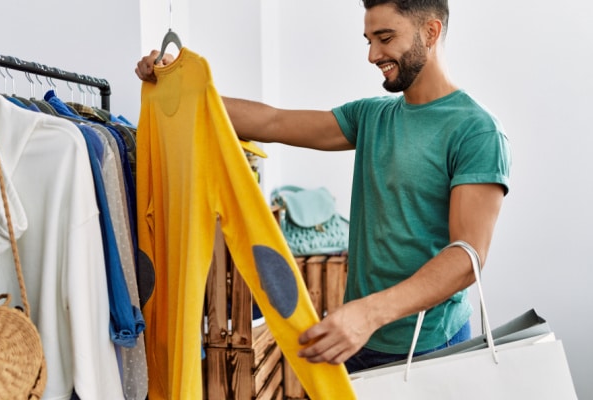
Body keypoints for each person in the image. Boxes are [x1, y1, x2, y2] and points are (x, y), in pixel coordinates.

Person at [135, 0, 511, 373]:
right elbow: (273, 122)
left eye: (384, 38)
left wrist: (368, 313)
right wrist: (179, 88)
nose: (372, 55)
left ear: (431, 32)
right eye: (368, 40)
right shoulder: (372, 116)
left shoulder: (475, 130)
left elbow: (467, 257)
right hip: (361, 336)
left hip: (430, 345)